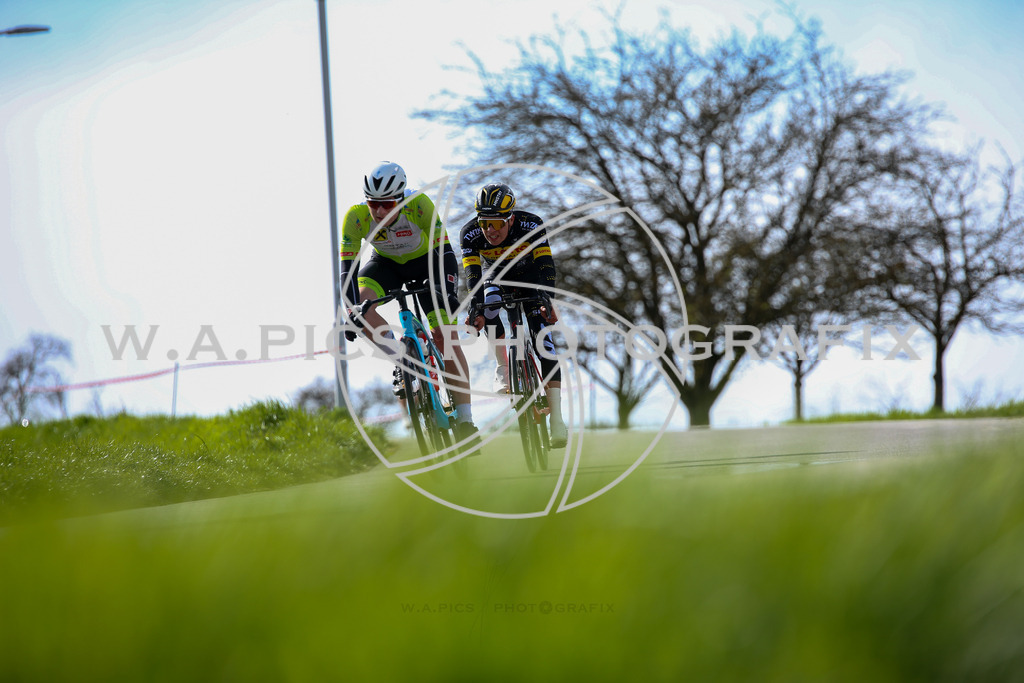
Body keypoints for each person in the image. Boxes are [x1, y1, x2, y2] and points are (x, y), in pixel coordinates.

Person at [340, 161, 480, 444]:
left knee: (445, 338)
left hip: (429, 263)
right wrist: (353, 312)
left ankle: (466, 420)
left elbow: (445, 252)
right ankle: (402, 358)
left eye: (387, 204)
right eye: (373, 204)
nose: (379, 211)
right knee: (361, 309)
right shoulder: (355, 217)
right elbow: (347, 272)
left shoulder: (419, 205)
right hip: (385, 265)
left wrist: (448, 293)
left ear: (401, 198)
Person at [459, 182, 568, 449]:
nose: (490, 231)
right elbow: (473, 276)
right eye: (485, 224)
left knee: (545, 343)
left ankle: (557, 419)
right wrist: (475, 309)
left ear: (510, 219)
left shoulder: (531, 225)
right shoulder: (470, 234)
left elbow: (546, 265)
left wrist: (548, 300)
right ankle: (502, 367)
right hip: (496, 278)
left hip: (531, 280)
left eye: (497, 223)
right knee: (488, 304)